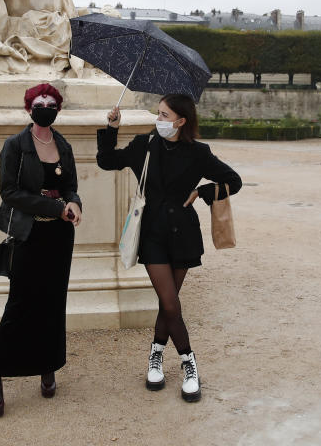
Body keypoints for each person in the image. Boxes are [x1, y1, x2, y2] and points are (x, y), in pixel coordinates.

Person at [96, 94, 241, 403]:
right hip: (152, 235)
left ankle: (156, 356)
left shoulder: (199, 153)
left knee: (168, 302)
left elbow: (234, 181)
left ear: (181, 121)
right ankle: (190, 364)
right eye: (158, 113)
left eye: (163, 115)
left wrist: (202, 191)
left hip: (183, 235)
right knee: (171, 304)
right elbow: (106, 161)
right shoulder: (143, 146)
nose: (157, 120)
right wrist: (111, 128)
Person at [0, 83, 83, 418]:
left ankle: (47, 367)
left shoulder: (62, 144)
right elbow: (9, 192)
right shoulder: (15, 145)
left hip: (59, 236)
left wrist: (73, 203)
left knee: (52, 302)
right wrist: (53, 205)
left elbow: (71, 184)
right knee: (20, 304)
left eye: (52, 102)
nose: (46, 106)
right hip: (28, 235)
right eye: (39, 102)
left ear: (58, 108)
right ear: (29, 108)